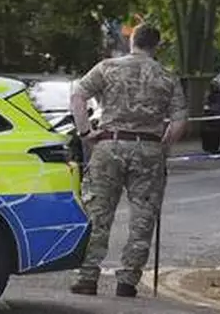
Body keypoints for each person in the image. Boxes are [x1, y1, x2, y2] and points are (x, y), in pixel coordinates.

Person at [68, 23, 188, 298]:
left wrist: (86, 132)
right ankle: (128, 280)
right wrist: (164, 144)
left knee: (98, 212)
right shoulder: (167, 77)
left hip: (109, 144)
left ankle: (87, 276)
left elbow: (78, 97)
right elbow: (180, 120)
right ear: (156, 46)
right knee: (143, 217)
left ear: (132, 40)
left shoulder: (107, 67)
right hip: (148, 148)